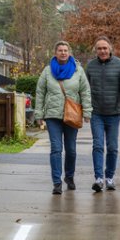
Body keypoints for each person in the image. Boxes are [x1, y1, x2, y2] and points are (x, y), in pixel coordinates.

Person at [34, 41, 92, 195]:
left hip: (72, 115)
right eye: (60, 50)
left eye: (66, 50)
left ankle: (70, 177)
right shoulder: (47, 71)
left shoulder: (78, 71)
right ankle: (57, 182)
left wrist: (87, 112)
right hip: (52, 116)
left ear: (69, 53)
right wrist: (39, 114)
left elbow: (85, 91)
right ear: (55, 53)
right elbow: (40, 92)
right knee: (56, 149)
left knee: (71, 150)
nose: (63, 53)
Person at [85, 36, 120, 192]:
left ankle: (109, 177)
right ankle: (98, 179)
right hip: (96, 113)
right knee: (98, 145)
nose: (102, 51)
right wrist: (85, 109)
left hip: (113, 114)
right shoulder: (90, 66)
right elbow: (85, 91)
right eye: (99, 48)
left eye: (105, 48)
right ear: (96, 50)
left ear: (110, 49)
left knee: (112, 147)